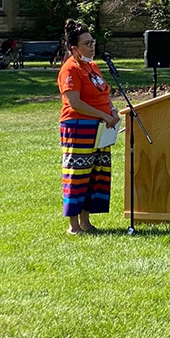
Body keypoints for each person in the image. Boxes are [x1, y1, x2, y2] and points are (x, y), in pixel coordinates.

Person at [58, 19, 119, 235]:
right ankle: (74, 225)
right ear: (74, 48)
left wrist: (112, 111)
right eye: (87, 43)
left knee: (95, 174)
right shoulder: (70, 69)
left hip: (100, 128)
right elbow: (75, 103)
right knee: (78, 173)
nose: (92, 47)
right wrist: (104, 115)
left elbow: (103, 93)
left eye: (93, 42)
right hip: (78, 127)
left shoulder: (92, 66)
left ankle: (87, 221)